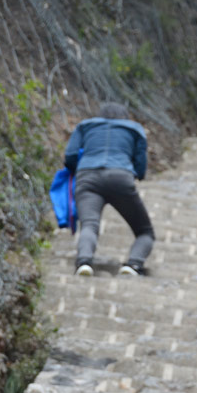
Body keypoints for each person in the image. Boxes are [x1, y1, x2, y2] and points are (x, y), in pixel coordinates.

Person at [64, 102, 153, 276]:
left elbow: (70, 155)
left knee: (89, 224)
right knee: (145, 231)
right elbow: (140, 162)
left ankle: (84, 262)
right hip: (120, 177)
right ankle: (133, 264)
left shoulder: (85, 126)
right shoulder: (134, 129)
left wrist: (78, 169)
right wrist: (138, 174)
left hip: (87, 176)